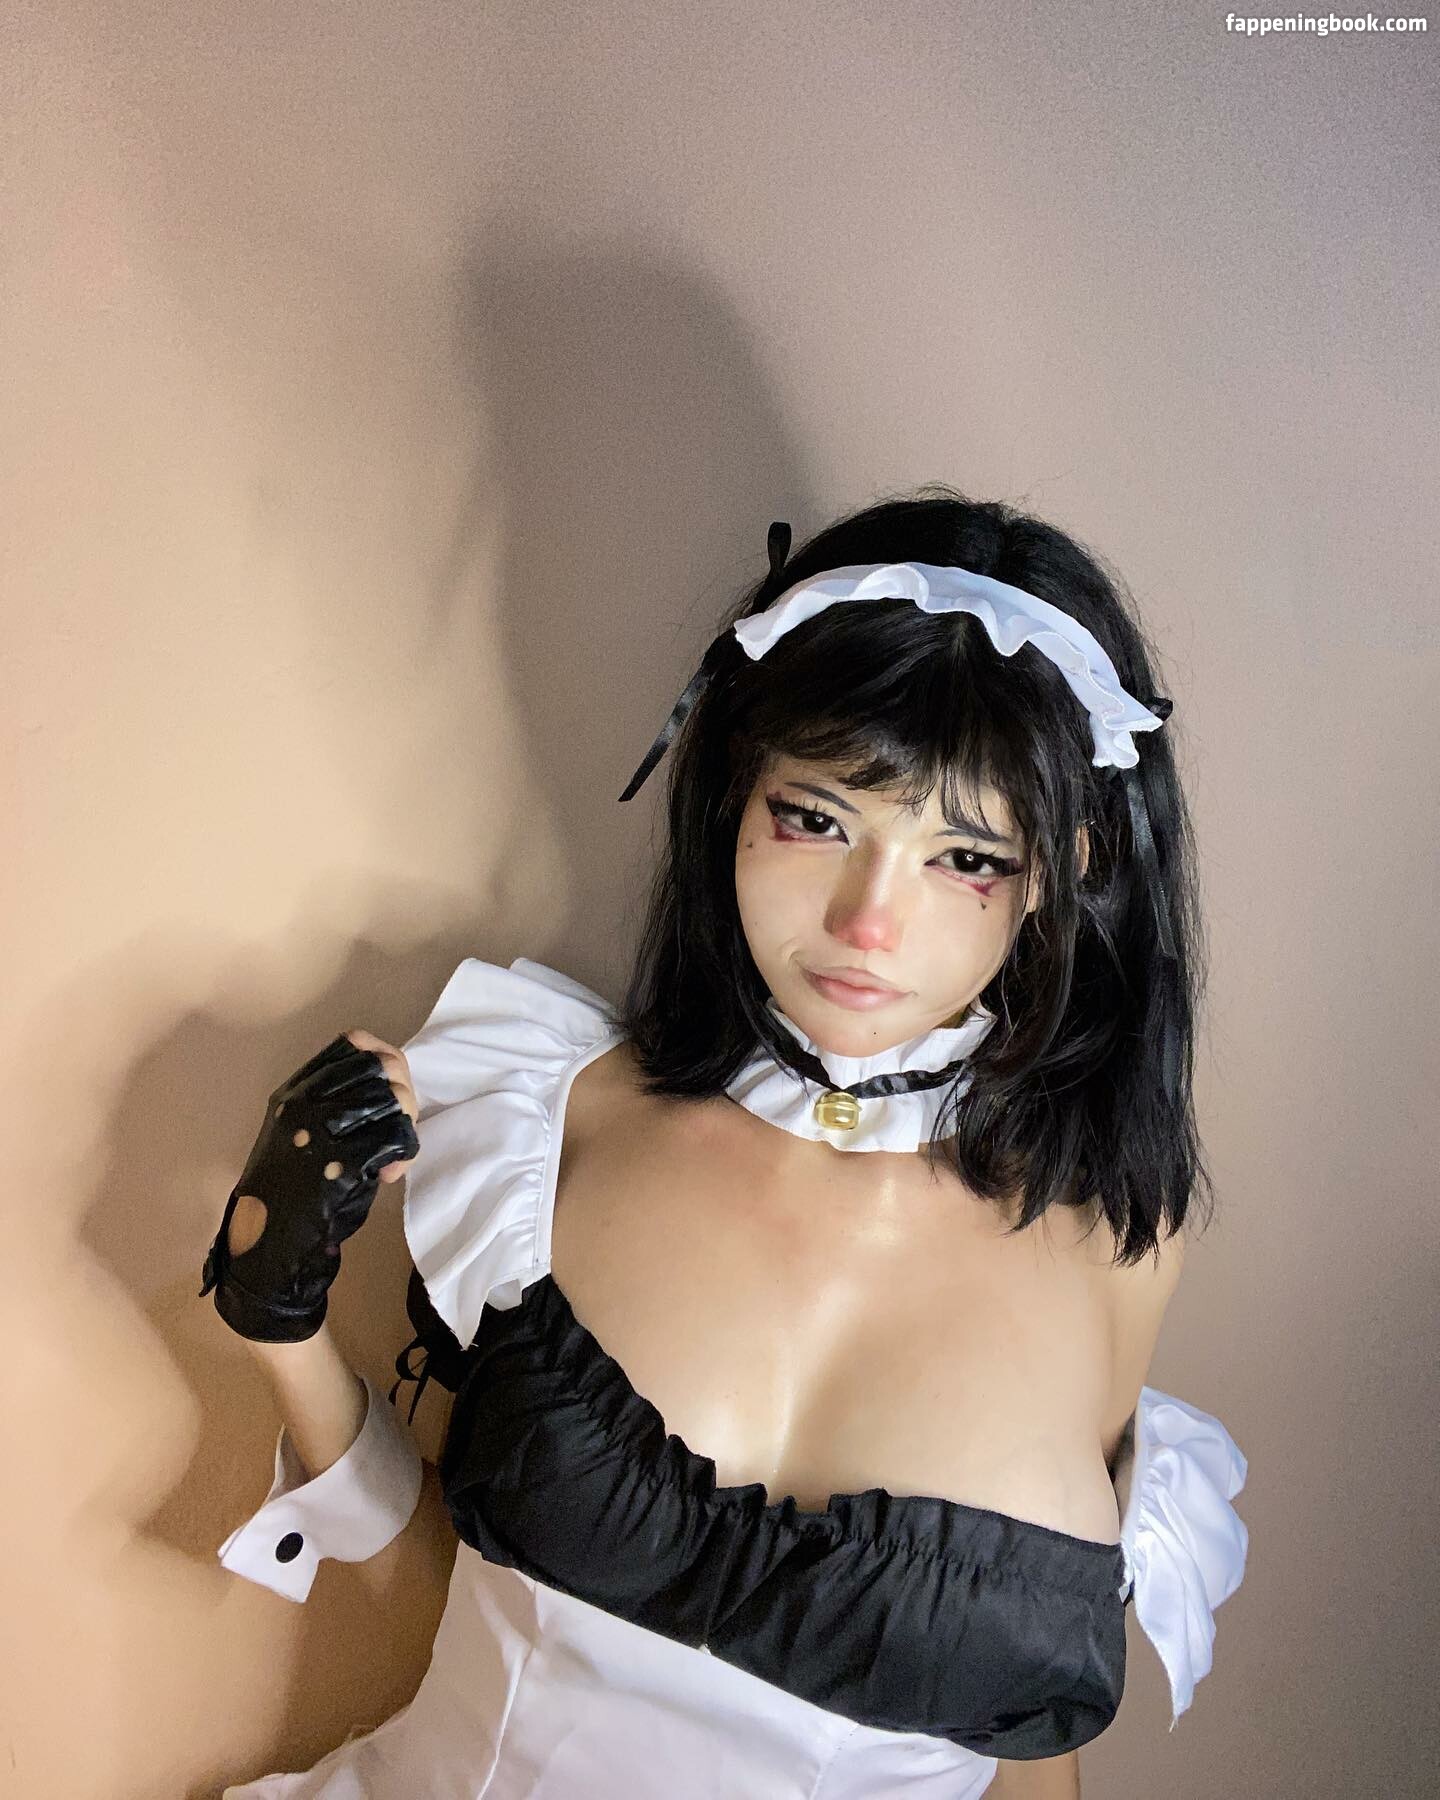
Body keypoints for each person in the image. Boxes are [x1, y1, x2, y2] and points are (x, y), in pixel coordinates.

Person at [202, 488, 1250, 1798]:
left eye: (965, 857)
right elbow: (454, 1605)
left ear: (1065, 867)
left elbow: (1030, 1760)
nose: (870, 921)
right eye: (819, 819)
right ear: (733, 792)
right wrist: (276, 1320)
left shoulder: (1115, 1245)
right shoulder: (549, 1113)